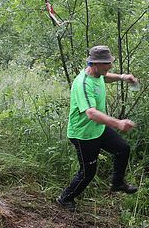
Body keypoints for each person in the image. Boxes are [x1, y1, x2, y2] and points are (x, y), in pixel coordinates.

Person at [57, 45, 139, 210]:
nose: (110, 66)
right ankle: (65, 198)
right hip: (83, 134)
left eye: (110, 62)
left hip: (98, 129)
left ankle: (117, 184)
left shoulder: (97, 73)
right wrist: (118, 123)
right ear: (94, 64)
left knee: (123, 149)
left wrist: (123, 77)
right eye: (106, 64)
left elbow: (106, 77)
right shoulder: (83, 83)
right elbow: (91, 113)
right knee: (88, 173)